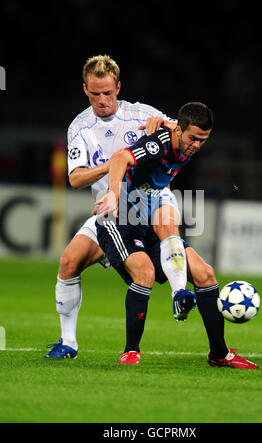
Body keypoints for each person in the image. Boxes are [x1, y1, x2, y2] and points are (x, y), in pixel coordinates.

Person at [94, 102, 259, 370]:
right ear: (179, 130)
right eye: (192, 138)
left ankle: (219, 353)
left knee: (205, 274)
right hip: (118, 219)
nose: (196, 145)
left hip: (147, 215)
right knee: (144, 273)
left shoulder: (184, 141)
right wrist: (112, 193)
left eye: (202, 140)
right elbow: (120, 159)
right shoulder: (159, 144)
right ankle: (130, 351)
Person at [44, 54, 179, 359]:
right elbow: (76, 178)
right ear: (85, 89)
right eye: (95, 93)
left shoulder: (140, 113)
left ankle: (215, 340)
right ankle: (68, 343)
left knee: (190, 269)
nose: (102, 100)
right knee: (68, 263)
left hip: (145, 208)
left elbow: (182, 134)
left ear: (118, 87)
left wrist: (165, 126)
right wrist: (113, 164)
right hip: (108, 212)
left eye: (107, 92)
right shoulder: (80, 127)